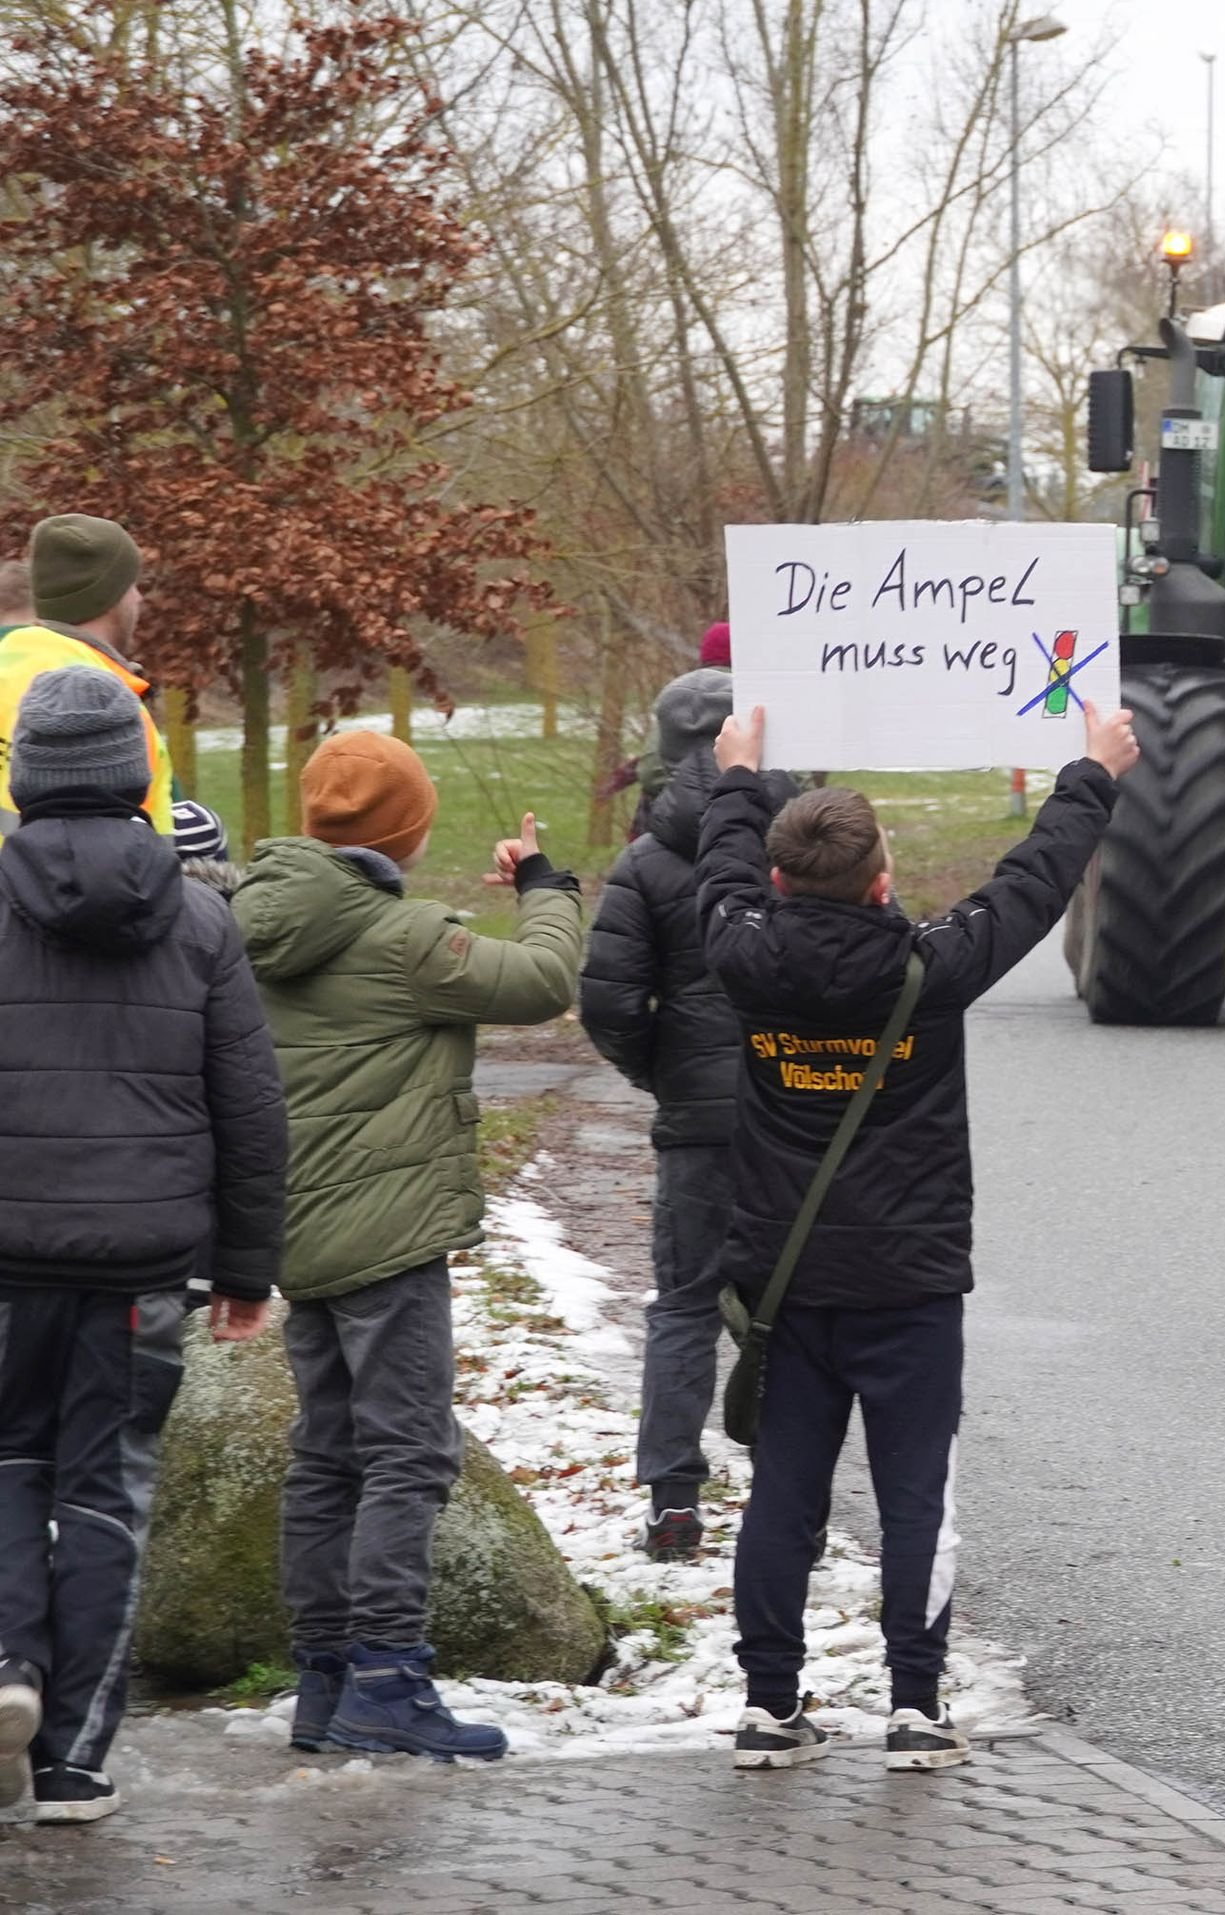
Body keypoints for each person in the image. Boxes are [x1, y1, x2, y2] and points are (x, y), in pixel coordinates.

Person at [698, 691, 1136, 1771]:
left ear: (778, 879)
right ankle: (914, 1703)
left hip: (784, 1284)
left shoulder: (741, 954)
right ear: (883, 879)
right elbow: (1033, 883)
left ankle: (767, 1702)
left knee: (783, 1496)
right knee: (915, 1499)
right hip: (909, 1283)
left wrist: (736, 777)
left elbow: (715, 876)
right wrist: (1095, 772)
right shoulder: (933, 970)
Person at [239, 730, 586, 1760]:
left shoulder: (244, 924)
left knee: (326, 1458)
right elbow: (543, 979)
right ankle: (389, 1677)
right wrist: (546, 884)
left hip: (299, 1235)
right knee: (406, 1458)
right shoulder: (403, 941)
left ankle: (324, 1680)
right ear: (410, 830)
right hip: (390, 1244)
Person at [0, 669, 286, 1823]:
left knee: (7, 1466)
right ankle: (72, 1760)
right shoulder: (203, 918)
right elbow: (252, 1107)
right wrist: (249, 1270)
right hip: (143, 1265)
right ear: (135, 775)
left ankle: (8, 1665)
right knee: (109, 1492)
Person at [577, 670, 780, 1559]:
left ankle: (672, 1498)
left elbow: (610, 1002)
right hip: (802, 1112)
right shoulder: (806, 845)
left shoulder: (647, 861)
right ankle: (789, 1488)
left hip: (698, 1120)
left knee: (685, 1301)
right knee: (800, 1304)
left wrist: (664, 1074)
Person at [0, 519, 171, 834]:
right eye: (131, 585)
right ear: (108, 597)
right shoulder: (105, 702)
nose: (138, 599)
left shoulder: (8, 665)